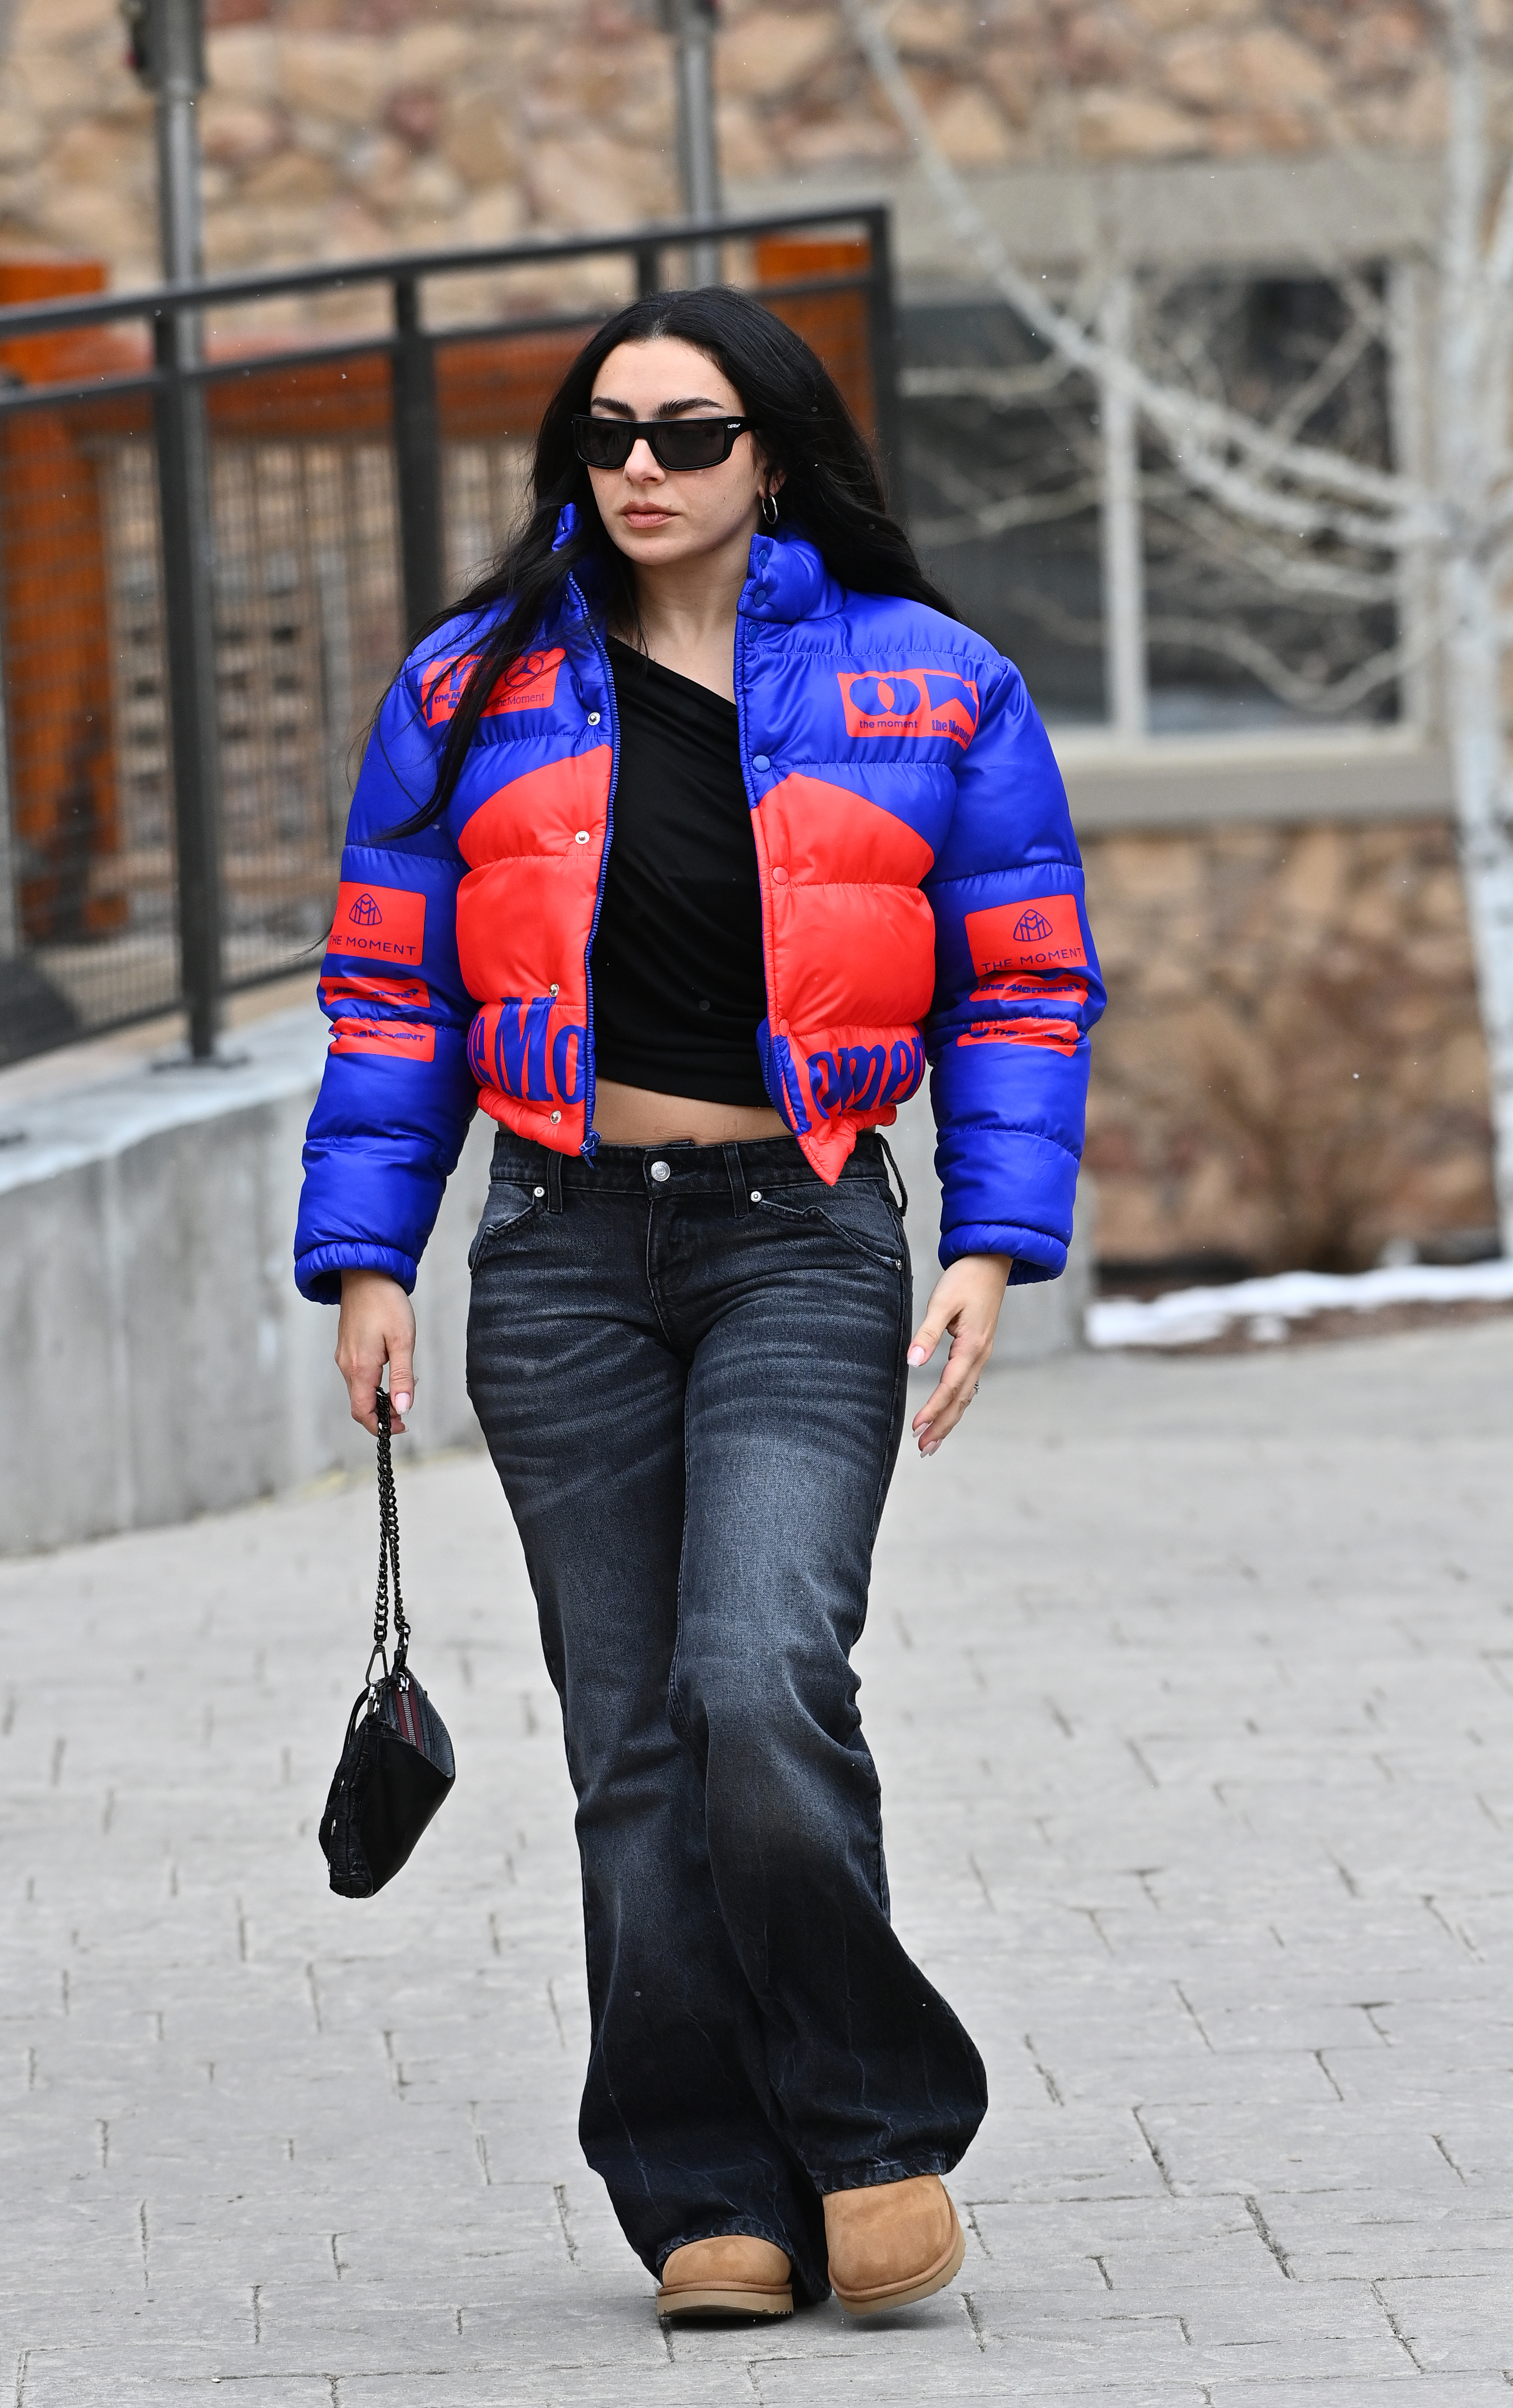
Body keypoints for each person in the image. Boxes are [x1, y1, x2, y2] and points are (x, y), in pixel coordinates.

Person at [294, 285, 1103, 2323]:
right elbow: (397, 995)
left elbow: (1019, 981)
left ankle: (870, 2125)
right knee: (631, 1741)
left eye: (686, 432)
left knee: (757, 1679)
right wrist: (368, 1257)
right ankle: (700, 2191)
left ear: (773, 456)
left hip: (800, 1232)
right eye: (605, 434)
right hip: (558, 1250)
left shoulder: (933, 688)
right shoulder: (469, 688)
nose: (639, 467)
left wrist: (995, 1243)